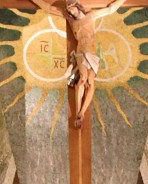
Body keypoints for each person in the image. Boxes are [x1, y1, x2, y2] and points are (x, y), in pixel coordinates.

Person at [28, 0, 127, 129]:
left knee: (91, 82)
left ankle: (81, 112)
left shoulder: (91, 16)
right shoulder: (71, 21)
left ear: (77, 5)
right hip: (80, 53)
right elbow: (48, 8)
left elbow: (111, 9)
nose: (69, 10)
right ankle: (78, 112)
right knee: (82, 79)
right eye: (68, 9)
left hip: (92, 54)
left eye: (70, 7)